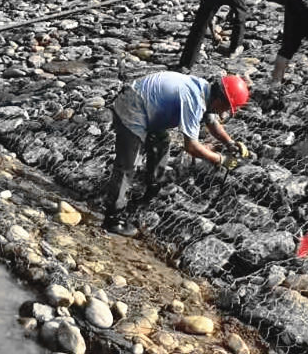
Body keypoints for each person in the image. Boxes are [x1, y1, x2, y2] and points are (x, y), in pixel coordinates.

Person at [103, 72, 251, 237]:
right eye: (227, 109)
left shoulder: (206, 91)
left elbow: (211, 122)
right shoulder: (194, 100)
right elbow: (191, 146)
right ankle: (112, 218)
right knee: (127, 165)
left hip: (149, 107)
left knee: (161, 143)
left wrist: (229, 143)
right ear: (220, 100)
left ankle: (153, 185)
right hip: (133, 106)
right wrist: (220, 159)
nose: (225, 113)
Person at [179, 0, 250, 69]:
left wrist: (213, 33)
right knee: (240, 16)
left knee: (200, 25)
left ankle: (186, 63)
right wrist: (237, 8)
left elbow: (209, 18)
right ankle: (235, 48)